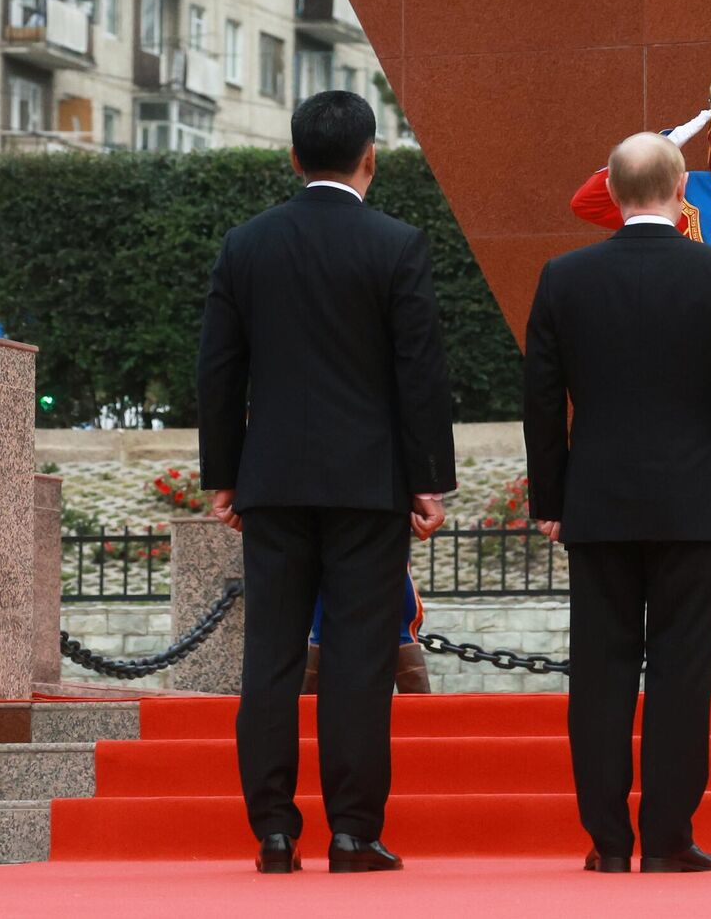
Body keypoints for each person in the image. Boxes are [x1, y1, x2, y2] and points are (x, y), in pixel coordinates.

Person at [197, 90, 455, 876]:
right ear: (371, 158)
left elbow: (219, 369)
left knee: (270, 656)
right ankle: (353, 832)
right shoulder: (398, 245)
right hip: (369, 484)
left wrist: (223, 476)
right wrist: (427, 482)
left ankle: (274, 832)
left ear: (292, 157)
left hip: (271, 480)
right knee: (357, 659)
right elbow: (420, 375)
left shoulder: (246, 245)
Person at [525, 132, 711, 874]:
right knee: (680, 671)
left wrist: (552, 499)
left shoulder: (563, 278)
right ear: (681, 189)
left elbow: (541, 401)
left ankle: (606, 840)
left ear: (613, 190)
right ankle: (668, 837)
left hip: (597, 507)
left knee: (598, 672)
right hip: (692, 504)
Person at [567, 34, 711, 689]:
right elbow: (589, 201)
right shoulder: (681, 187)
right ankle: (700, 667)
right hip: (689, 386)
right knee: (697, 524)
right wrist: (665, 141)